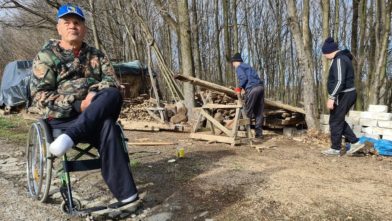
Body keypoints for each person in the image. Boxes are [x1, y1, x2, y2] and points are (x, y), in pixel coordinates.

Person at [29, 4, 138, 206]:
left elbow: (111, 81)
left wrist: (93, 95)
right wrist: (79, 105)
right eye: (67, 22)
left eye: (77, 22)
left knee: (114, 94)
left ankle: (127, 197)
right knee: (108, 126)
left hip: (90, 116)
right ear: (59, 28)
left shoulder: (96, 55)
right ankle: (127, 193)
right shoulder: (46, 56)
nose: (73, 26)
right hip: (63, 119)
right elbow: (40, 96)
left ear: (84, 29)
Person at [321, 37, 364, 156]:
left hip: (344, 94)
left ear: (329, 51)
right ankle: (355, 142)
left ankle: (335, 148)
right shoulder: (342, 58)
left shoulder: (339, 60)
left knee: (335, 121)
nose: (324, 56)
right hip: (345, 94)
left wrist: (331, 97)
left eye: (324, 53)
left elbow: (340, 81)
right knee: (337, 119)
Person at [231, 53, 264, 142]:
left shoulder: (239, 67)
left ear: (235, 61)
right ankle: (259, 135)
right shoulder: (248, 66)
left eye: (233, 63)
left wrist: (239, 87)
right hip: (260, 88)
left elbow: (244, 79)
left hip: (253, 89)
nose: (233, 65)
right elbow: (252, 78)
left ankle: (246, 134)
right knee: (259, 113)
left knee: (247, 111)